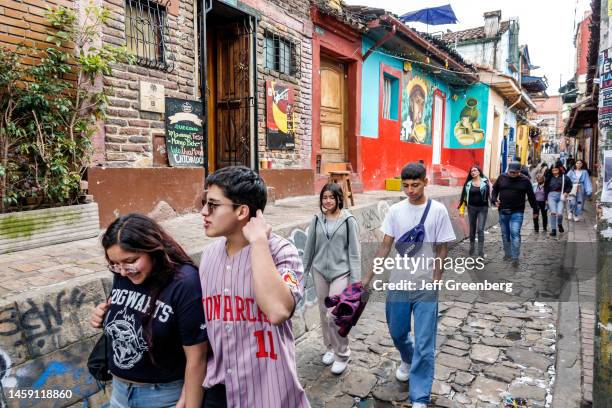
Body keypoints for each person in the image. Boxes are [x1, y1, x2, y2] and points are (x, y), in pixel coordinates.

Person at [198, 166, 309, 407]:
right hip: (219, 391)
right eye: (204, 203)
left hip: (268, 390)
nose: (204, 212)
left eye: (213, 205)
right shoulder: (208, 256)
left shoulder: (281, 252)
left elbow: (278, 311)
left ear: (242, 211)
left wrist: (259, 242)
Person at [89, 214, 208, 408]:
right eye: (114, 263)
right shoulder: (122, 274)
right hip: (119, 392)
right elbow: (129, 311)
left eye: (131, 260)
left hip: (163, 397)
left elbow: (198, 359)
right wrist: (102, 316)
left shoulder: (185, 283)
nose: (123, 271)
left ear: (153, 249)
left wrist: (189, 403)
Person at [362, 163, 456, 408]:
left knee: (425, 342)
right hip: (399, 283)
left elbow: (442, 248)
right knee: (397, 332)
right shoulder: (395, 211)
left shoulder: (438, 211)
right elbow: (385, 246)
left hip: (426, 285)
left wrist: (436, 280)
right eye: (406, 185)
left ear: (425, 182)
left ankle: (420, 396)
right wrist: (368, 277)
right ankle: (407, 358)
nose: (410, 190)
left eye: (415, 185)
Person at [302, 183, 361, 375]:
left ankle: (342, 353)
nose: (327, 201)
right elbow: (309, 249)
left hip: (340, 273)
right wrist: (303, 274)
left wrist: (355, 282)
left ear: (338, 199)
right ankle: (329, 348)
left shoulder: (348, 220)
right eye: (324, 197)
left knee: (334, 314)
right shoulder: (317, 220)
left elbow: (354, 253)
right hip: (320, 271)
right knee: (322, 313)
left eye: (331, 197)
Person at [490, 161, 538, 267]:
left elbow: (531, 197)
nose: (512, 174)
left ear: (519, 172)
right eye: (510, 172)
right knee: (505, 234)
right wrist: (494, 200)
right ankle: (507, 254)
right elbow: (494, 190)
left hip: (517, 211)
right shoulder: (502, 177)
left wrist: (535, 210)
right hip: (503, 211)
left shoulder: (525, 181)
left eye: (514, 173)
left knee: (515, 233)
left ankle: (515, 257)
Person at [457, 165, 491, 257]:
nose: (473, 172)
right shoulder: (468, 184)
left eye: (475, 170)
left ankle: (481, 252)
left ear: (479, 172)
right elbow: (463, 198)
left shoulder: (486, 182)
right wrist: (461, 211)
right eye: (471, 171)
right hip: (471, 208)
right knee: (472, 230)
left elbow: (491, 194)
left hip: (483, 208)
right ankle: (472, 248)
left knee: (480, 229)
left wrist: (495, 201)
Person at [545, 163, 573, 237]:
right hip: (551, 196)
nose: (554, 172)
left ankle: (560, 224)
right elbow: (546, 189)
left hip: (561, 196)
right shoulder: (549, 178)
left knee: (560, 213)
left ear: (559, 170)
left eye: (556, 170)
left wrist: (566, 192)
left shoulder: (565, 177)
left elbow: (570, 185)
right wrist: (546, 199)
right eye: (553, 170)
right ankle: (553, 230)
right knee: (553, 212)